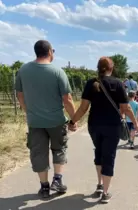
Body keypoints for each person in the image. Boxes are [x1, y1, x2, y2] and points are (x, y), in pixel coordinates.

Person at [70, 56, 138, 204]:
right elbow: (125, 108)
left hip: (94, 125)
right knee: (109, 156)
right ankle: (105, 193)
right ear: (112, 68)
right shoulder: (118, 84)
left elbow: (83, 108)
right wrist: (135, 123)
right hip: (112, 126)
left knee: (99, 152)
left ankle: (100, 185)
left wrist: (72, 121)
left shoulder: (91, 83)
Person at [15, 40, 77, 199]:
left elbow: (20, 95)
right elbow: (67, 99)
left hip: (35, 121)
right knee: (59, 148)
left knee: (38, 153)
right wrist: (73, 119)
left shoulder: (23, 70)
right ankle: (57, 179)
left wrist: (28, 111)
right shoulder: (58, 72)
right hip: (56, 120)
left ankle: (44, 187)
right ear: (49, 52)